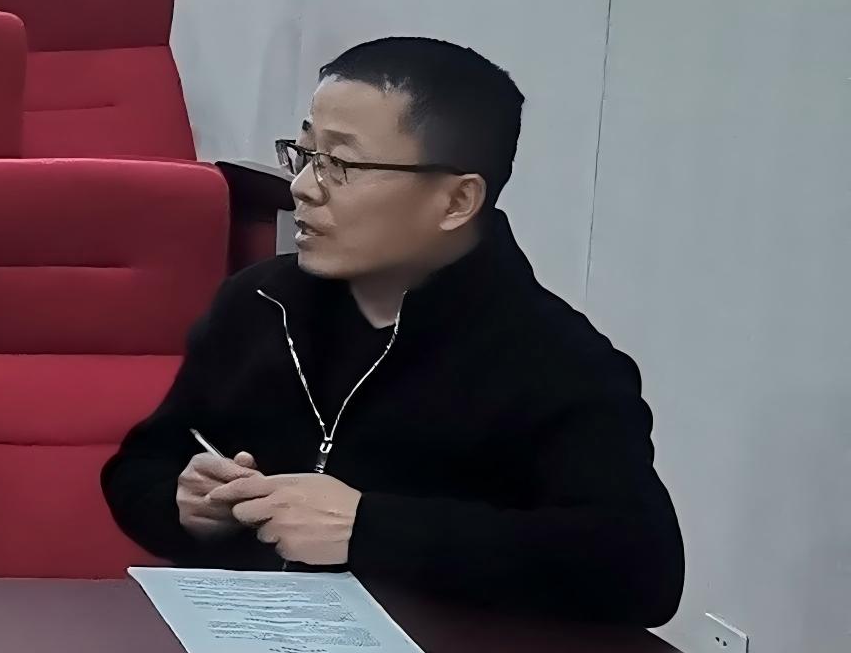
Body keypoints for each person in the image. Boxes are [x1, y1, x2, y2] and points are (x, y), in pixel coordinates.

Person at [103, 36, 685, 621]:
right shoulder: (257, 303)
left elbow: (640, 571)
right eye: (304, 153)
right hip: (243, 652)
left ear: (456, 201)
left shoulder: (555, 359)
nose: (302, 186)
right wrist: (184, 505)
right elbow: (140, 468)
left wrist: (369, 530)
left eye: (340, 164)